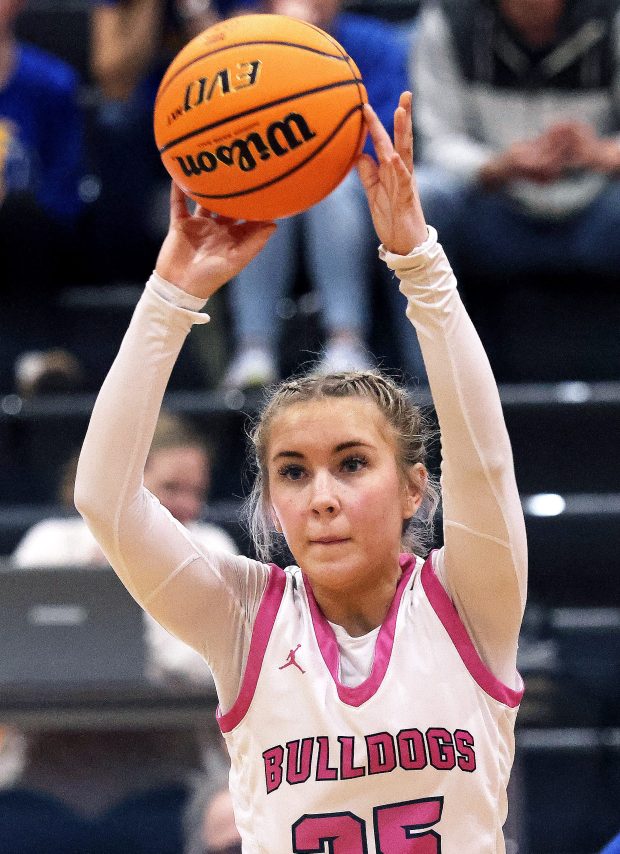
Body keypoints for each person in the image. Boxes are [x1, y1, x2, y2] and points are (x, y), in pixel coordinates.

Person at [75, 91, 528, 851]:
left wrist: (419, 263)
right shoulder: (244, 618)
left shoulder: (471, 600)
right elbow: (105, 499)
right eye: (293, 471)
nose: (321, 498)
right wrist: (171, 295)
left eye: (352, 464)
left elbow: (484, 456)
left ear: (415, 485)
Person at [1, 411, 238, 854]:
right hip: (43, 782)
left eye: (198, 493)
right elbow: (21, 659)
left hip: (172, 782)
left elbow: (210, 666)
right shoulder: (53, 541)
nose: (190, 507)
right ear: (125, 476)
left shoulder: (212, 548)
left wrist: (139, 599)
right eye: (173, 489)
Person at [222, 0, 424, 387]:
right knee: (260, 184)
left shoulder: (374, 43)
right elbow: (230, 137)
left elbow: (381, 138)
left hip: (354, 186)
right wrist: (278, 52)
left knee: (331, 188)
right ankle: (253, 347)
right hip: (271, 179)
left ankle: (346, 341)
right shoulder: (244, 48)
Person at [412, 0, 620, 282]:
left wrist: (599, 153)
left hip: (601, 204)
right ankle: (424, 328)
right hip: (493, 204)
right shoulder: (450, 17)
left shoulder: (612, 14)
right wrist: (498, 166)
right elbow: (437, 142)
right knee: (422, 197)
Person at [0, 0, 84, 391]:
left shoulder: (51, 82)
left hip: (30, 239)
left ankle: (36, 356)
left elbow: (64, 189)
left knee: (21, 213)